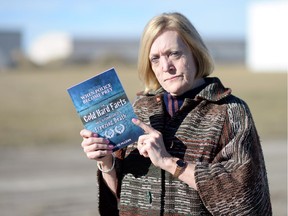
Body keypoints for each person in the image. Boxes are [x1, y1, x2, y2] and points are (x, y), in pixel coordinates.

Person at [80, 12, 272, 215]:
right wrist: (106, 161)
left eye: (174, 54)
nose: (166, 67)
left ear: (195, 53)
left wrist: (169, 162)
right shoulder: (138, 110)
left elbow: (246, 197)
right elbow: (116, 201)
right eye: (155, 59)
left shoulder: (230, 111)